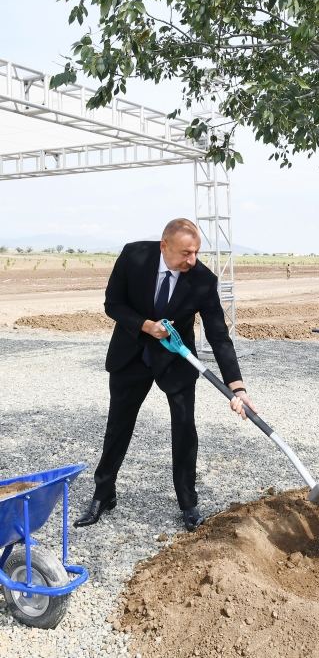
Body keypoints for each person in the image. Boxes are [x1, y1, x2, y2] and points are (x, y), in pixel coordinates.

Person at [74, 218, 255, 532]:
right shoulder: (134, 256)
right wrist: (146, 325)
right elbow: (112, 304)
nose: (192, 260)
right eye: (186, 253)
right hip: (130, 354)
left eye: (196, 252)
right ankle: (103, 494)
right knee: (118, 426)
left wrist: (236, 387)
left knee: (185, 430)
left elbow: (218, 335)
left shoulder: (202, 280)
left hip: (176, 359)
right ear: (164, 246)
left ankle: (188, 503)